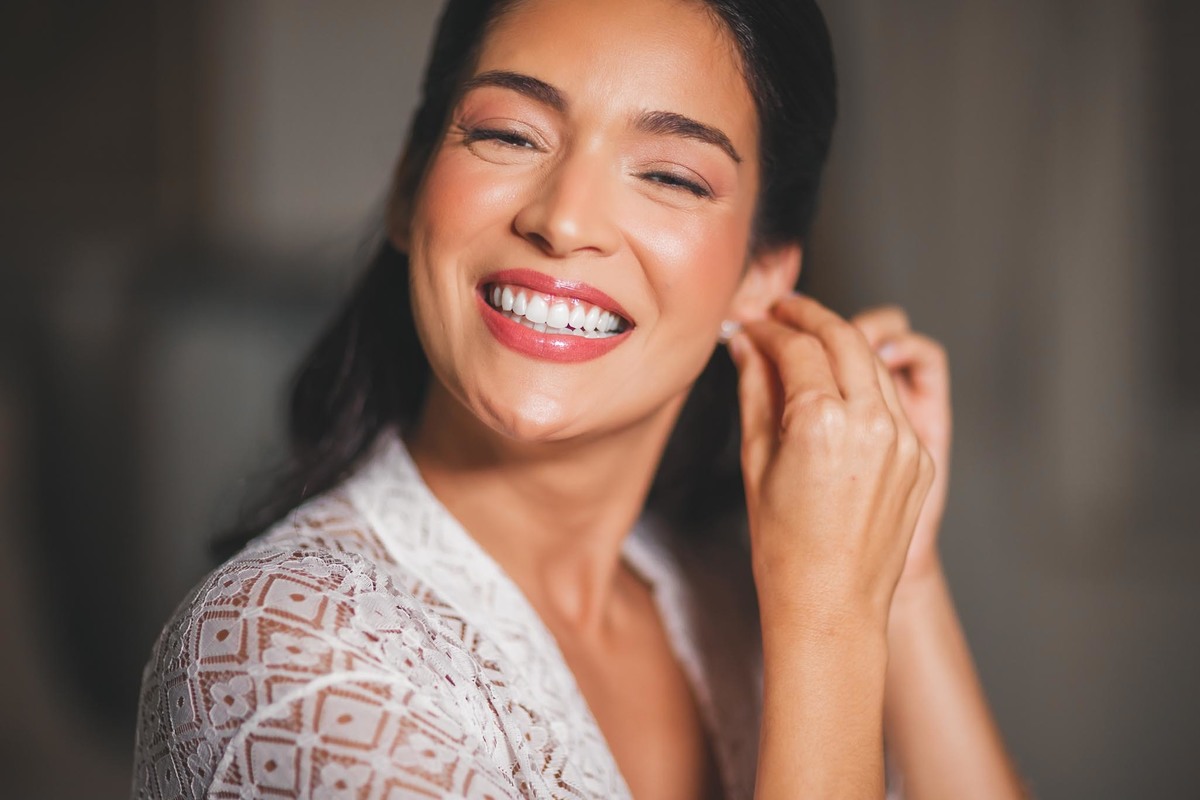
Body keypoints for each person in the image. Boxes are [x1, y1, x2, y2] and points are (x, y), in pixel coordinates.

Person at [132, 0, 1027, 797]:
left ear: (761, 277)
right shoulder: (281, 657)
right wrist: (831, 623)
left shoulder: (730, 596)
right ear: (409, 189)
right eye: (511, 135)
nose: (563, 221)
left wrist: (898, 580)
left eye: (671, 175)